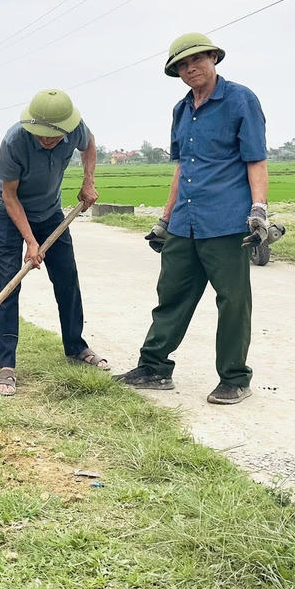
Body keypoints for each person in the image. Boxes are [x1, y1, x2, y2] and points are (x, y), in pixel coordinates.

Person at [113, 32, 269, 406]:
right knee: (171, 295)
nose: (190, 68)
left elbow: (256, 160)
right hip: (185, 221)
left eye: (197, 59)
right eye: (182, 65)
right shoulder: (181, 110)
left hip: (225, 221)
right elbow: (182, 168)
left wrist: (259, 210)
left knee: (232, 301)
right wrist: (165, 218)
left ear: (213, 57)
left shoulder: (240, 100)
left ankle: (234, 378)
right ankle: (154, 368)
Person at [0, 88, 108, 397]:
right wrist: (31, 242)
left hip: (49, 211)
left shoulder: (75, 128)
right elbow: (10, 196)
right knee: (10, 281)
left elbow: (89, 144)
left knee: (66, 275)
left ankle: (76, 346)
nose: (47, 140)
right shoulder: (14, 141)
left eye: (54, 136)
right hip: (7, 211)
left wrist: (88, 181)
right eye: (41, 134)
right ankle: (7, 364)